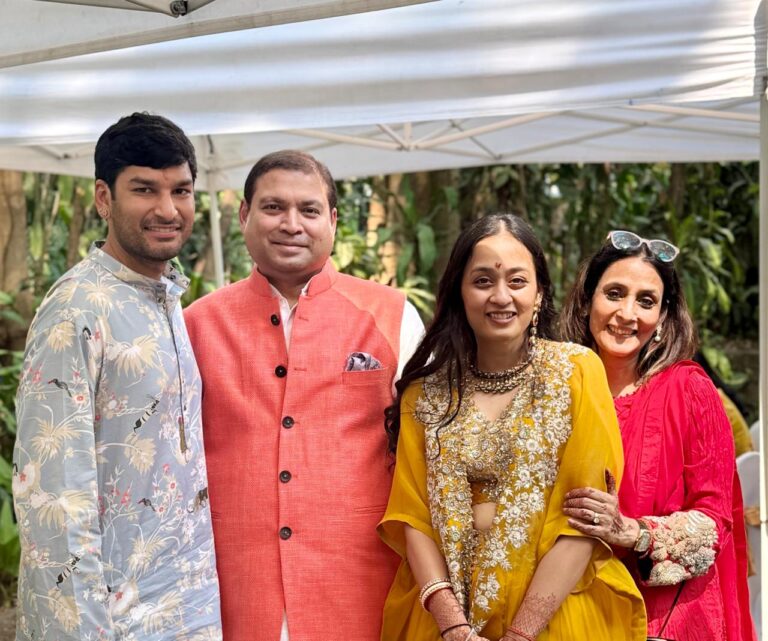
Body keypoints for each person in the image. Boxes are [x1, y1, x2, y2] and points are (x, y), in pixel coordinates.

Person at [183, 150, 424, 641]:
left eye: (309, 210)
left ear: (333, 221)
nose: (291, 224)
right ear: (244, 215)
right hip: (233, 590)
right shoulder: (195, 325)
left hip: (361, 586)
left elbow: (428, 456)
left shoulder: (393, 315)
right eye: (273, 208)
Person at [379, 214, 645, 641]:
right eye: (483, 281)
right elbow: (414, 519)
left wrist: (520, 635)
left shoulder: (576, 373)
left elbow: (581, 520)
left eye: (517, 282)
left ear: (539, 292)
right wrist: (453, 628)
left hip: (555, 617)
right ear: (459, 294)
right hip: (444, 620)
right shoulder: (424, 396)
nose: (501, 297)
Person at [12, 113, 222, 640]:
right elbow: (53, 496)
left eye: (181, 190)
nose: (167, 209)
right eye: (144, 189)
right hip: (114, 620)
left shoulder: (167, 298)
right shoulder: (76, 309)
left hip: (187, 603)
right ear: (104, 198)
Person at [560, 230, 756, 641]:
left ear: (664, 317)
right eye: (614, 293)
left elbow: (714, 523)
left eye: (646, 301)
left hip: (666, 618)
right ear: (587, 300)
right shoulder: (558, 389)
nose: (627, 313)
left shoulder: (689, 390)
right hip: (571, 610)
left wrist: (633, 533)